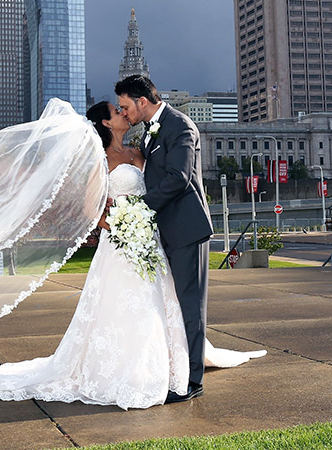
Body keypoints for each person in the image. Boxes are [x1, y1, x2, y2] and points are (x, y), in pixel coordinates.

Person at [0, 101, 266, 409]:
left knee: (162, 299)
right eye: (117, 111)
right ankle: (124, 366)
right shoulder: (98, 160)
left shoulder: (140, 152)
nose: (124, 113)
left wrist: (143, 222)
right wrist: (121, 226)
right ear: (105, 122)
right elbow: (90, 209)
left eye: (123, 107)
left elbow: (158, 188)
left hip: (150, 240)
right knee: (123, 302)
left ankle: (174, 359)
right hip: (121, 244)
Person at [115, 75, 213, 403]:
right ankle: (176, 371)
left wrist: (136, 210)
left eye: (126, 106)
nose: (124, 112)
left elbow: (179, 179)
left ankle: (192, 382)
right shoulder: (150, 130)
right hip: (164, 231)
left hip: (186, 230)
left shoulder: (180, 126)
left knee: (190, 306)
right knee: (172, 305)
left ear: (143, 101)